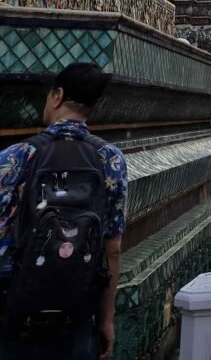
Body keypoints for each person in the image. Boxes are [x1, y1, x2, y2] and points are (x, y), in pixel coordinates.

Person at [0, 63, 128, 360]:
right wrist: (107, 319)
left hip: (15, 310)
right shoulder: (110, 160)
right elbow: (113, 248)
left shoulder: (16, 156)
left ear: (57, 96)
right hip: (76, 311)